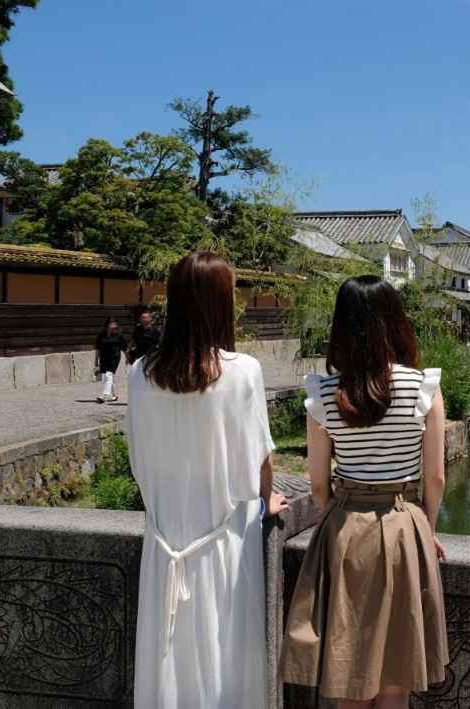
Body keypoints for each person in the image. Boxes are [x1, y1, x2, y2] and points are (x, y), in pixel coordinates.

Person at [123, 251, 288, 708]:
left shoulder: (140, 373)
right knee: (226, 658)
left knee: (167, 661)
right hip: (224, 543)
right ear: (221, 303)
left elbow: (138, 455)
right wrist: (263, 502)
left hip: (162, 542)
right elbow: (261, 461)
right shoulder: (242, 372)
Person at [281, 276, 450, 708]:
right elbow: (435, 478)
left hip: (344, 527)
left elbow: (318, 482)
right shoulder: (421, 387)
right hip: (402, 526)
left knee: (349, 671)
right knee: (394, 674)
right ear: (394, 321)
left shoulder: (322, 393)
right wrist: (426, 528)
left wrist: (334, 516)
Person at [95, 317, 127, 403]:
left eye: (115, 324)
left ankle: (104, 395)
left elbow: (125, 348)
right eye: (112, 324)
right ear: (107, 325)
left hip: (114, 358)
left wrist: (127, 358)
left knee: (108, 375)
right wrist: (96, 360)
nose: (114, 325)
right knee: (109, 377)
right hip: (104, 358)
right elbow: (97, 349)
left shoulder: (118, 335)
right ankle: (114, 395)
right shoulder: (101, 336)